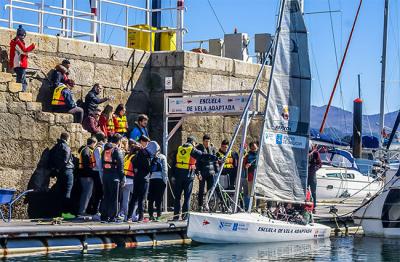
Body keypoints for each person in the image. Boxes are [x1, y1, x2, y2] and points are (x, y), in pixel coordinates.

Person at [172, 136, 218, 220]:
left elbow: (173, 163)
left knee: (177, 197)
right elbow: (203, 156)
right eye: (195, 143)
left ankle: (175, 216)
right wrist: (215, 158)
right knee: (187, 197)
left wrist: (173, 176)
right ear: (193, 142)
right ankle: (185, 217)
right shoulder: (192, 150)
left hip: (178, 176)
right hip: (188, 176)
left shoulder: (179, 149)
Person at [48, 132, 75, 219]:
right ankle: (65, 213)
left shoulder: (56, 146)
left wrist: (55, 169)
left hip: (60, 173)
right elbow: (66, 159)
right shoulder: (66, 147)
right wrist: (59, 168)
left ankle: (58, 212)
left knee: (60, 191)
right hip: (67, 170)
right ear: (67, 138)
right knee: (67, 192)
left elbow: (51, 157)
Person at [100, 133, 125, 222]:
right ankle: (112, 217)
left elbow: (102, 164)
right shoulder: (117, 151)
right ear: (119, 141)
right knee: (114, 198)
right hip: (115, 177)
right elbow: (121, 167)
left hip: (105, 176)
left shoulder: (104, 151)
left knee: (106, 196)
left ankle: (104, 216)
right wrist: (123, 179)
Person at [127, 141, 153, 222]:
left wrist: (136, 169)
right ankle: (141, 217)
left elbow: (133, 162)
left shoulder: (136, 156)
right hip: (144, 179)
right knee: (141, 199)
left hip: (136, 178)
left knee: (134, 198)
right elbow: (149, 168)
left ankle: (129, 216)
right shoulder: (146, 156)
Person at [9, 25, 35, 92]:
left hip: (17, 64)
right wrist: (32, 46)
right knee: (22, 81)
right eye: (23, 36)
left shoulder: (15, 42)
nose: (23, 37)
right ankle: (22, 92)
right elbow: (24, 51)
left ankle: (19, 91)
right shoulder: (17, 42)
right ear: (19, 35)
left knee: (20, 79)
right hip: (20, 64)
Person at [119, 140, 141, 220]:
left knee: (125, 199)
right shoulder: (135, 157)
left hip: (124, 179)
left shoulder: (127, 156)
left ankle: (126, 216)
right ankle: (133, 215)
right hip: (131, 180)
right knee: (138, 197)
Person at [195, 134, 218, 211]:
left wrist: (216, 171)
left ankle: (208, 205)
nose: (207, 143)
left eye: (208, 141)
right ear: (203, 141)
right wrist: (198, 173)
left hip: (211, 172)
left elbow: (215, 161)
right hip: (202, 172)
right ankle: (200, 205)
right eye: (205, 141)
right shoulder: (199, 149)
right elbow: (196, 163)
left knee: (210, 190)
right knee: (201, 190)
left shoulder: (212, 149)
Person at [147, 141, 168, 221]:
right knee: (159, 199)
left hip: (151, 179)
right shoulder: (162, 157)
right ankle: (158, 216)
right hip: (160, 180)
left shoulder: (149, 157)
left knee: (151, 199)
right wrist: (165, 180)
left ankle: (150, 215)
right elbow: (164, 170)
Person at [77, 137, 97, 217]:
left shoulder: (85, 149)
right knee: (86, 193)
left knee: (87, 193)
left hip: (85, 175)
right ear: (93, 143)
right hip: (86, 176)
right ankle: (82, 211)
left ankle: (83, 210)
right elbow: (86, 165)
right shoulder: (86, 150)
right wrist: (91, 174)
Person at [90, 132, 106, 217]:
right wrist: (102, 174)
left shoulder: (100, 148)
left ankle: (98, 210)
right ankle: (95, 211)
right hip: (97, 172)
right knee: (98, 192)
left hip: (98, 172)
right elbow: (99, 163)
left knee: (100, 193)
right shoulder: (98, 149)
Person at [243, 141, 258, 210]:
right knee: (251, 193)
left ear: (257, 147)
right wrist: (246, 165)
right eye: (252, 149)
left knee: (261, 192)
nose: (254, 150)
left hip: (260, 176)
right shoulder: (248, 155)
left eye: (255, 148)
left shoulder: (260, 154)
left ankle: (263, 209)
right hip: (251, 176)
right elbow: (244, 165)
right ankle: (252, 208)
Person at [308, 143, 321, 213]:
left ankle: (314, 207)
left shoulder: (315, 153)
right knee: (305, 190)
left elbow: (319, 164)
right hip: (305, 174)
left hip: (312, 174)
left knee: (313, 192)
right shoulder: (304, 152)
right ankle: (304, 206)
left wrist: (314, 169)